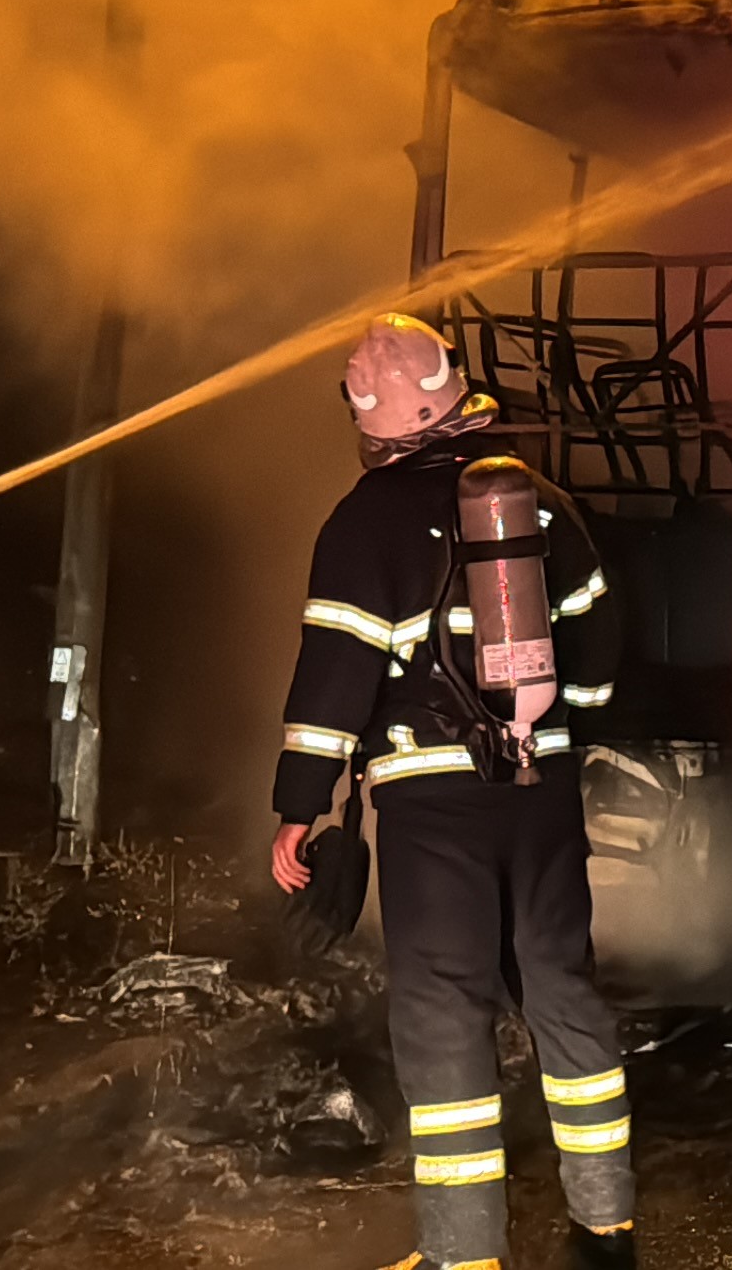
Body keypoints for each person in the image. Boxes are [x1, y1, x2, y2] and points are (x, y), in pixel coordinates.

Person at [269, 315, 635, 1270]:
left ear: (368, 410)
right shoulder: (540, 504)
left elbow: (334, 674)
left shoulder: (365, 520)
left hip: (430, 803)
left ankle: (464, 1252)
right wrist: (559, 734)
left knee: (443, 1010)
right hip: (541, 787)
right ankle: (605, 1223)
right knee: (560, 984)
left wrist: (299, 805)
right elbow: (595, 642)